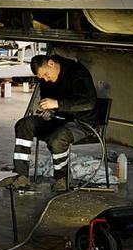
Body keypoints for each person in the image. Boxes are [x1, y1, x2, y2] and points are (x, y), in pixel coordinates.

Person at [12, 54, 98, 192]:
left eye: (46, 74)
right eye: (42, 78)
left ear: (51, 63)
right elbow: (49, 101)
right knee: (23, 125)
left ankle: (62, 179)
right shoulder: (46, 80)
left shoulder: (77, 73)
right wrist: (48, 111)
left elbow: (89, 102)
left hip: (82, 122)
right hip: (59, 119)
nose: (46, 79)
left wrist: (58, 104)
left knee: (57, 139)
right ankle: (20, 175)